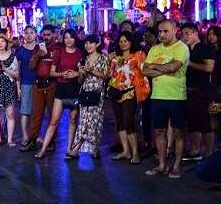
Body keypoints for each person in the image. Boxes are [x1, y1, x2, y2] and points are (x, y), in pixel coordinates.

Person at [143, 20, 190, 179]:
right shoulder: (154, 49)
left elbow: (173, 67)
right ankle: (162, 165)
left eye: (165, 31)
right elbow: (144, 70)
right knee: (159, 132)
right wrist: (163, 69)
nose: (162, 34)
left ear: (174, 31)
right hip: (157, 97)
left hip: (177, 97)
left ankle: (176, 165)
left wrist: (155, 67)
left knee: (178, 133)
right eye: (160, 32)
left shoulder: (181, 48)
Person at [35, 29, 82, 159]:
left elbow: (82, 73)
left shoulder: (79, 53)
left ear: (75, 39)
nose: (68, 40)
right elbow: (51, 72)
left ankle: (69, 149)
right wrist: (62, 74)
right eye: (66, 37)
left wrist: (77, 74)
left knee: (73, 120)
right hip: (61, 88)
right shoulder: (59, 53)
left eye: (71, 37)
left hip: (75, 89)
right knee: (54, 121)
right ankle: (43, 150)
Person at [108, 31, 148, 164]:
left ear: (131, 42)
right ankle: (126, 151)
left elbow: (145, 72)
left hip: (130, 93)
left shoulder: (138, 55)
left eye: (125, 41)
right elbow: (109, 73)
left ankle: (135, 153)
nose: (123, 43)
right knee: (119, 122)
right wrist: (108, 59)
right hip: (115, 92)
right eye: (120, 41)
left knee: (129, 122)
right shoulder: (115, 58)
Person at [68, 35, 109, 159]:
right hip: (85, 92)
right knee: (85, 121)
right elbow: (80, 80)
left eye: (91, 43)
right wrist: (82, 73)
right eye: (86, 43)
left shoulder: (103, 58)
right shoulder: (83, 60)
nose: (88, 45)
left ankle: (94, 148)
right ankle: (75, 149)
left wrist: (91, 70)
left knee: (95, 121)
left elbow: (105, 76)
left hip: (97, 93)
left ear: (97, 44)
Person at [21, 25, 59, 152]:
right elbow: (31, 66)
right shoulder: (38, 47)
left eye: (49, 34)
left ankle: (51, 141)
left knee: (52, 115)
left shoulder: (58, 47)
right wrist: (37, 55)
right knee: (36, 115)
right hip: (38, 84)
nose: (46, 37)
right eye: (44, 34)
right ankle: (32, 140)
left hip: (52, 84)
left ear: (54, 34)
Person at [181, 23, 215, 160]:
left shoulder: (206, 48)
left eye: (188, 33)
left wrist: (189, 63)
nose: (185, 36)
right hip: (188, 90)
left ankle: (209, 152)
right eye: (183, 34)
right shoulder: (185, 49)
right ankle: (194, 150)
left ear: (195, 33)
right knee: (192, 122)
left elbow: (209, 68)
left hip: (203, 90)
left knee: (206, 122)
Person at [15, 26, 37, 148]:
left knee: (37, 112)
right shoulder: (20, 50)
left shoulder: (40, 48)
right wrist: (18, 87)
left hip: (39, 83)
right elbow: (18, 71)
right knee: (25, 111)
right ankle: (25, 136)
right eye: (26, 33)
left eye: (31, 33)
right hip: (26, 83)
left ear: (35, 34)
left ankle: (35, 135)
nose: (29, 35)